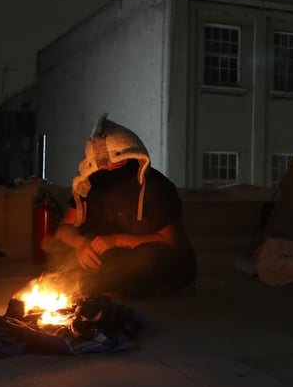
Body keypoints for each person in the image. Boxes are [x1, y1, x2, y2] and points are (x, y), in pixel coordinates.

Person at [50, 113, 196, 298]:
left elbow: (170, 241)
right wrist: (81, 244)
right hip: (115, 257)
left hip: (155, 257)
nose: (110, 169)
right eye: (104, 165)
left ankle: (125, 288)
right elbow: (64, 229)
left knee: (146, 261)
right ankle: (106, 285)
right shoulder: (91, 184)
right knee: (69, 259)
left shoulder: (156, 186)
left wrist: (114, 240)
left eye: (116, 164)